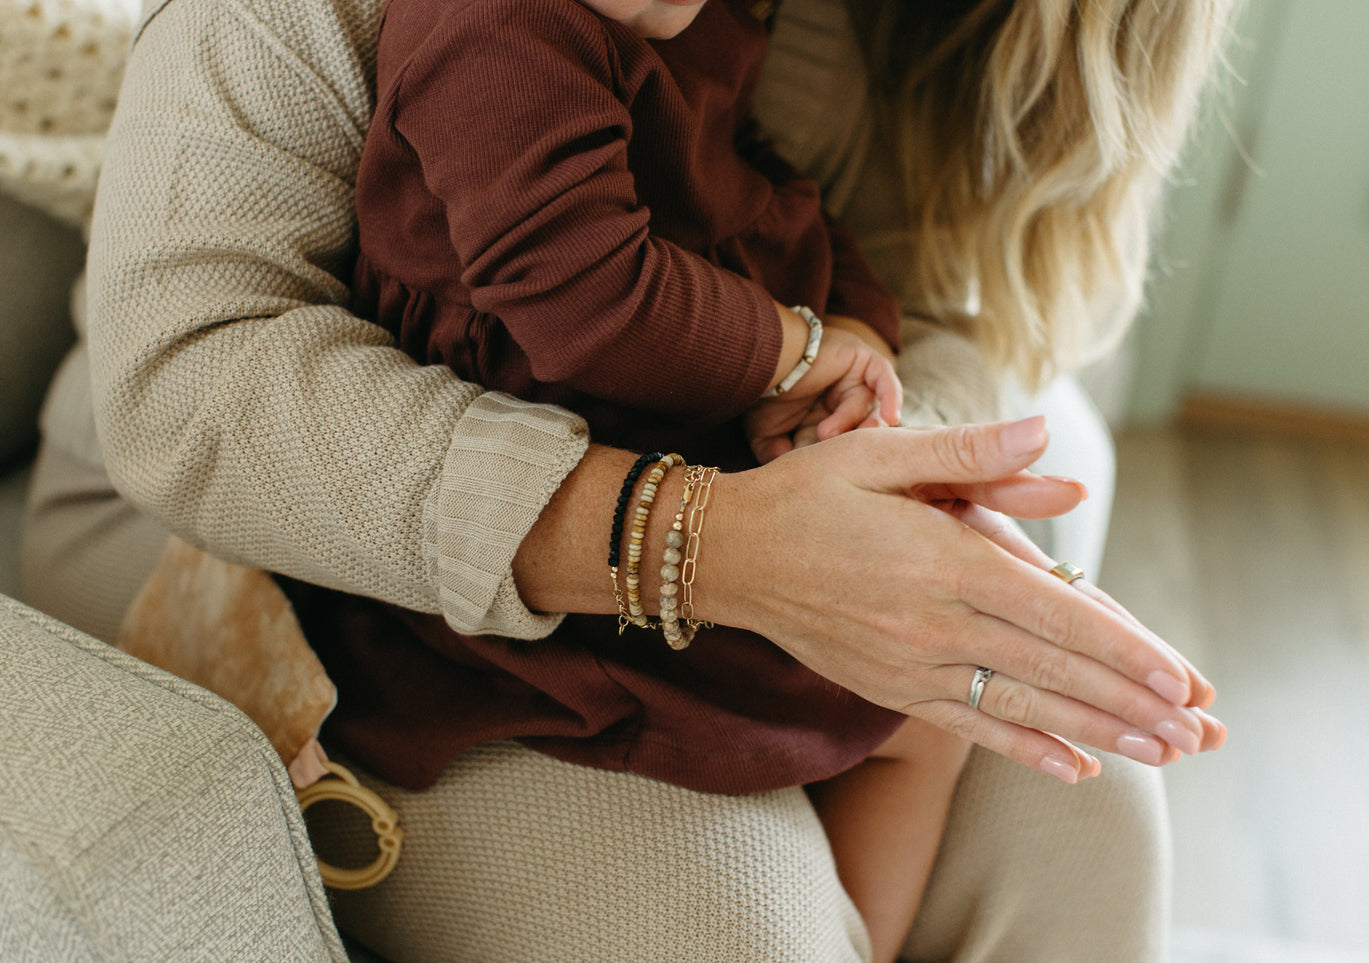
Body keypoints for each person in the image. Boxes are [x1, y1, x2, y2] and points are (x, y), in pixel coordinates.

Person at [36, 0, 1233, 959]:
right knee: (718, 934)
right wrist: (719, 533)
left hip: (698, 471)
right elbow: (196, 380)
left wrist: (875, 463)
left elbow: (937, 305)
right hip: (281, 537)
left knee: (1090, 790)